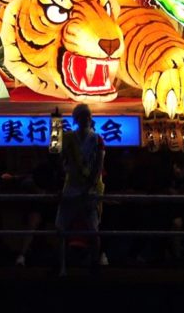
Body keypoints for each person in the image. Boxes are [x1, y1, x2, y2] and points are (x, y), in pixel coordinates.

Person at [56, 104, 105, 273]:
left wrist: (90, 186)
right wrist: (56, 125)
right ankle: (62, 264)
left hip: (89, 190)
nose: (86, 119)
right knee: (62, 227)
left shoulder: (97, 140)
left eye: (87, 116)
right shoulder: (69, 138)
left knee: (92, 229)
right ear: (77, 119)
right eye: (83, 116)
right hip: (72, 187)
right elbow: (56, 157)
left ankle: (94, 264)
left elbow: (98, 166)